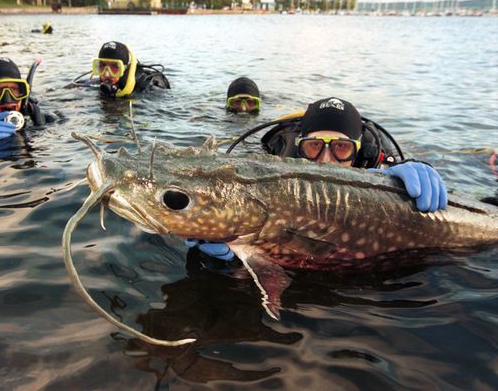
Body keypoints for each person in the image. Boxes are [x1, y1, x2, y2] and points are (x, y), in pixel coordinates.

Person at [188, 97, 448, 260]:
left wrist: (411, 171)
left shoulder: (376, 164)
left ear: (361, 151)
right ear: (299, 147)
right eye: (314, 147)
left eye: (341, 148)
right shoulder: (274, 169)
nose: (325, 159)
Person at [70, 41, 170, 97]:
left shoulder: (145, 87)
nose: (107, 73)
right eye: (102, 65)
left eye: (115, 67)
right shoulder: (96, 83)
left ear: (125, 69)